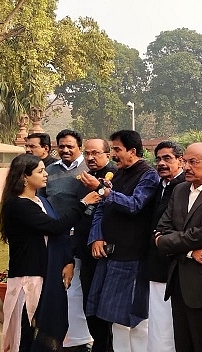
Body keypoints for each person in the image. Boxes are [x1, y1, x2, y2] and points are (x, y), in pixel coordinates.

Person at [0, 154, 100, 352]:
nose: (46, 175)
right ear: (24, 177)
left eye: (45, 170)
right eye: (40, 171)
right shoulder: (18, 205)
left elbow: (59, 236)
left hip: (49, 274)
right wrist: (83, 203)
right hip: (30, 276)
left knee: (52, 324)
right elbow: (55, 227)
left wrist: (68, 261)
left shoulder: (41, 201)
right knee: (30, 328)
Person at [86, 130, 159, 352]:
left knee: (134, 318)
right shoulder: (117, 174)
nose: (114, 154)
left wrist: (102, 190)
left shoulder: (148, 175)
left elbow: (135, 204)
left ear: (132, 151)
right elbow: (99, 209)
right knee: (112, 316)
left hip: (132, 257)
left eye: (117, 149)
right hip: (110, 255)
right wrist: (96, 237)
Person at [155, 142, 202, 352]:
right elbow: (161, 227)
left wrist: (165, 240)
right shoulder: (179, 190)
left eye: (193, 162)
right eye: (185, 161)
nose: (187, 167)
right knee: (183, 343)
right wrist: (189, 251)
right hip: (178, 279)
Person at [37, 129, 93, 351]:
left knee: (80, 286)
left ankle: (82, 338)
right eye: (62, 146)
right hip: (56, 235)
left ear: (79, 146)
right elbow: (42, 202)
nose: (66, 150)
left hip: (83, 236)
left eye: (70, 146)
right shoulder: (49, 171)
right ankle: (61, 337)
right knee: (58, 285)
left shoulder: (89, 170)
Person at [76, 138, 118, 352]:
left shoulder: (116, 177)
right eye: (87, 153)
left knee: (105, 308)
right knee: (89, 305)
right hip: (85, 252)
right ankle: (100, 346)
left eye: (95, 153)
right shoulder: (86, 178)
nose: (90, 157)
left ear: (108, 155)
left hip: (106, 253)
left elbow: (112, 211)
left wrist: (101, 188)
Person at [146, 140, 185, 352]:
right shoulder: (159, 186)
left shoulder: (185, 187)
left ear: (181, 160)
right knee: (157, 323)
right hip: (155, 264)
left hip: (174, 265)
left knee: (170, 324)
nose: (161, 163)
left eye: (167, 158)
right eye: (158, 159)